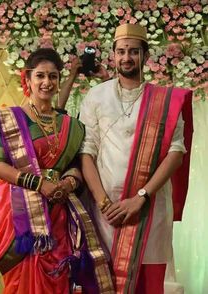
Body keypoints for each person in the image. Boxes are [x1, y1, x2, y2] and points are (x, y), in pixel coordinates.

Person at [0, 48, 114, 294]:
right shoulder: (13, 119)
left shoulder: (70, 124)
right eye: (40, 76)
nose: (47, 82)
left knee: (59, 274)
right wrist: (39, 184)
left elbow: (77, 164)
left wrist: (67, 183)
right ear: (28, 79)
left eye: (53, 76)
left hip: (59, 209)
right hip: (22, 212)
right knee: (24, 276)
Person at [79, 23, 193, 293]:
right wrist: (103, 202)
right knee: (103, 280)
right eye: (121, 51)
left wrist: (141, 196)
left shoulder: (164, 100)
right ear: (113, 55)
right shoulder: (96, 96)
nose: (126, 58)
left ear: (145, 55)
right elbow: (86, 150)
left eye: (133, 51)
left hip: (149, 209)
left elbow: (176, 152)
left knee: (148, 282)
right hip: (105, 211)